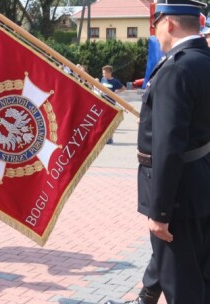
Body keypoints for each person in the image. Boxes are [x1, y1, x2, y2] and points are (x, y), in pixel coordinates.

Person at [105, 1, 210, 303]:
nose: (156, 33)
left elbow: (169, 146)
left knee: (183, 288)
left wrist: (160, 211)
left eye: (157, 25)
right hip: (201, 183)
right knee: (202, 278)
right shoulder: (203, 61)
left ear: (170, 24)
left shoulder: (176, 68)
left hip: (178, 196)